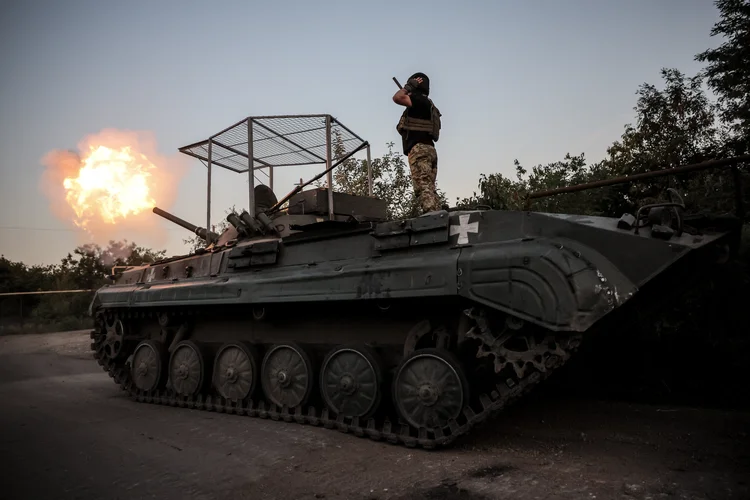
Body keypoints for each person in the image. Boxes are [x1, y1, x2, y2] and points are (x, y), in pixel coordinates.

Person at [392, 72, 442, 214]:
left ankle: (432, 216)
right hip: (429, 150)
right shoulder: (430, 105)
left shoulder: (418, 100)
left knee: (423, 187)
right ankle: (436, 212)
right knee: (429, 187)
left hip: (419, 149)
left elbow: (397, 97)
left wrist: (408, 87)